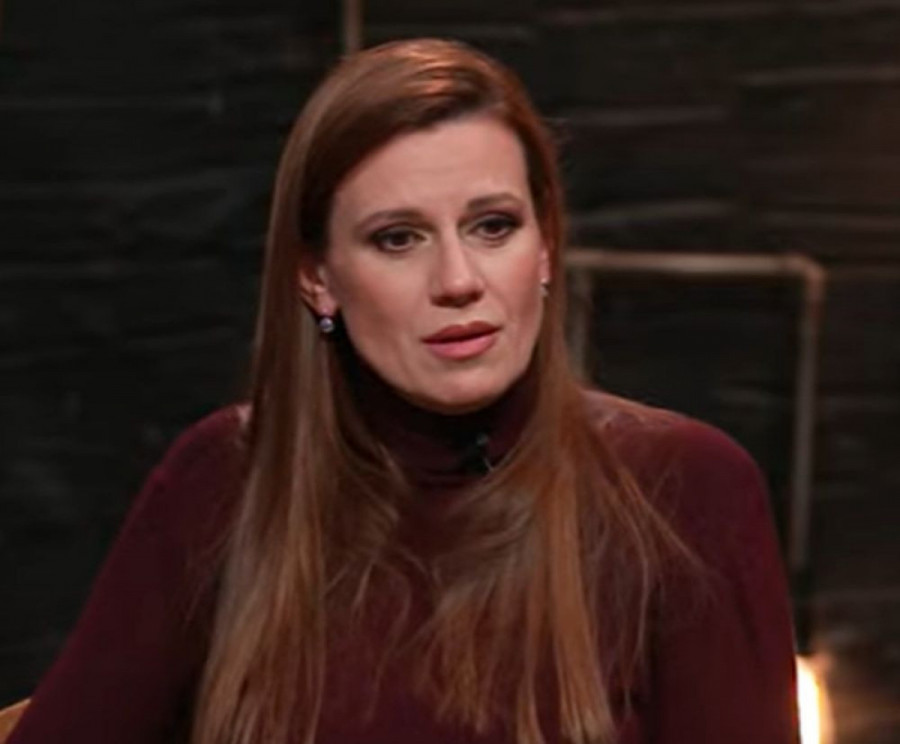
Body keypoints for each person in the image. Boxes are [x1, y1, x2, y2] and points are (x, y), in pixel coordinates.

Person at [8, 38, 798, 744]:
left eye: (493, 226)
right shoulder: (226, 479)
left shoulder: (686, 488)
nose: (458, 280)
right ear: (317, 278)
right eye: (398, 238)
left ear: (546, 245)